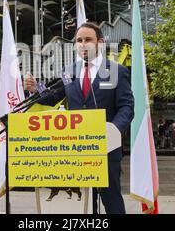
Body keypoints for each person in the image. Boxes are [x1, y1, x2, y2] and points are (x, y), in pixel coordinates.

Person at [23, 22, 134, 214]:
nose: (83, 44)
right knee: (81, 202)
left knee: (111, 199)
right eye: (79, 40)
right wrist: (36, 88)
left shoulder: (116, 71)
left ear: (99, 42)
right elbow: (55, 96)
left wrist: (115, 129)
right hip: (77, 149)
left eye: (88, 40)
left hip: (106, 148)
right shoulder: (69, 71)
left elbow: (127, 106)